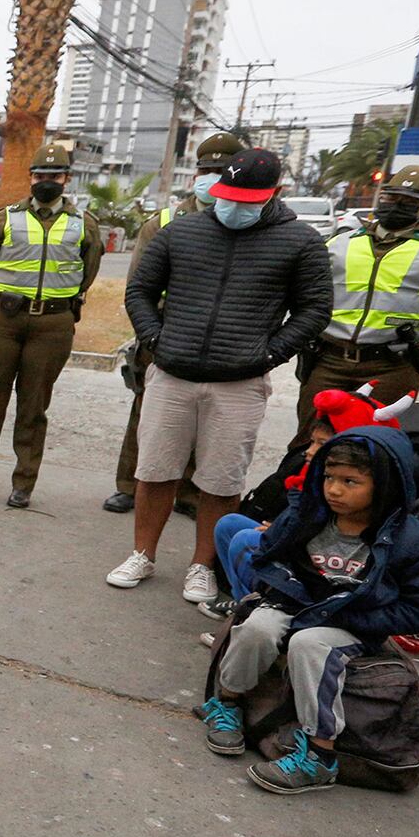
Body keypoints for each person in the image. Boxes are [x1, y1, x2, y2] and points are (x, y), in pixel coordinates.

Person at [111, 148, 333, 601]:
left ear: (272, 194)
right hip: (172, 375)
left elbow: (315, 309)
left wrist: (269, 354)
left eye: (244, 200)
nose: (231, 207)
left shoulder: (300, 242)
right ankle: (142, 554)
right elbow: (140, 290)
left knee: (221, 479)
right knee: (154, 470)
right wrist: (156, 338)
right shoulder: (183, 232)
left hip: (240, 383)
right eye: (225, 196)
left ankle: (202, 565)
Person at [198, 426, 419, 794]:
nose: (334, 489)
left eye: (351, 481)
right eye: (330, 477)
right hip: (297, 603)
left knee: (311, 644)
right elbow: (270, 552)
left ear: (386, 484)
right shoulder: (307, 514)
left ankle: (319, 756)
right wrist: (278, 588)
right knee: (258, 627)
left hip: (351, 620)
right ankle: (228, 703)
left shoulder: (416, 543)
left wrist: (361, 618)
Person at [290, 163, 419, 448]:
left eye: (410, 202)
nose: (396, 206)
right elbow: (303, 293)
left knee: (372, 452)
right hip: (329, 362)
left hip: (391, 367)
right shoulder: (341, 243)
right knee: (309, 445)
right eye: (390, 198)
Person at [104, 132, 246, 513]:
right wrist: (150, 335)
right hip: (165, 333)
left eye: (221, 170)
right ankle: (130, 485)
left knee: (206, 417)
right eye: (206, 169)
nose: (211, 177)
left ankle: (187, 493)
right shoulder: (165, 221)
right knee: (146, 412)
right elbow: (139, 286)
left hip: (220, 338)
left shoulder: (245, 223)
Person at [0, 143, 104, 509]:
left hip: (53, 323)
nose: (46, 182)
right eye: (40, 176)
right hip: (2, 320)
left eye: (54, 176)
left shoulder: (82, 224)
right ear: (31, 178)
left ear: (66, 180)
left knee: (33, 407)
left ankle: (23, 483)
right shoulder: (4, 218)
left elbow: (87, 273)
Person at [206, 413, 334, 620]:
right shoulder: (309, 473)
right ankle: (246, 604)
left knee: (244, 540)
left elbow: (323, 535)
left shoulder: (340, 488)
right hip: (292, 545)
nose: (309, 451)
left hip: (312, 566)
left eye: (321, 444)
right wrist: (279, 527)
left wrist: (280, 532)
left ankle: (250, 617)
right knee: (229, 525)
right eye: (312, 442)